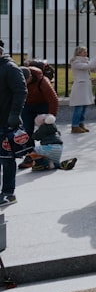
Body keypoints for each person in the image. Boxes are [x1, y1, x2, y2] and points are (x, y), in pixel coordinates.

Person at [0, 41, 27, 206]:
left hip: (5, 122)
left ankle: (9, 193)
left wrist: (15, 114)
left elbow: (21, 91)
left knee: (6, 158)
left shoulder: (10, 68)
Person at [17, 65, 58, 169]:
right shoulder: (17, 80)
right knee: (26, 131)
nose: (24, 82)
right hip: (27, 105)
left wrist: (50, 117)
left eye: (25, 80)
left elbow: (53, 100)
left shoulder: (43, 81)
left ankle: (48, 155)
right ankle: (30, 157)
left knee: (46, 130)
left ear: (30, 77)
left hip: (43, 104)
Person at [68, 45, 96, 133]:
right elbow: (89, 66)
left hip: (85, 86)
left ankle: (81, 123)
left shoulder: (85, 61)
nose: (86, 53)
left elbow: (94, 69)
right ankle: (74, 125)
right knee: (79, 106)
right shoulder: (75, 62)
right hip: (80, 87)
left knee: (84, 106)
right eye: (84, 52)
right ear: (79, 53)